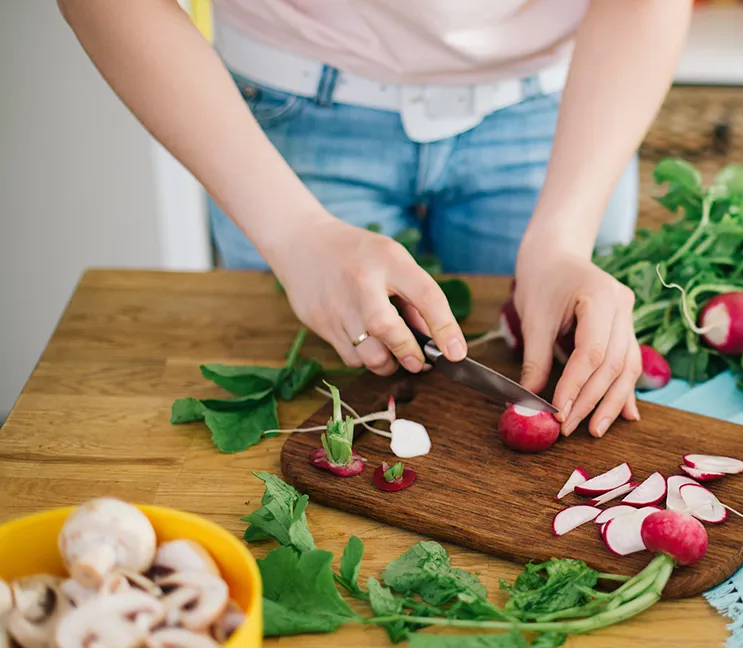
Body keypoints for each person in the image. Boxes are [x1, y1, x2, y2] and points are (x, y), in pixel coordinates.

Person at [58, 0, 694, 438]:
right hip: (285, 107)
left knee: (563, 360)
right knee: (306, 396)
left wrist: (563, 236)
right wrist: (295, 233)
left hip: (557, 110)